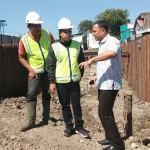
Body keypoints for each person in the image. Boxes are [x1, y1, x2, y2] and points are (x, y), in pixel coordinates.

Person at [79, 20, 125, 150]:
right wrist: (96, 76)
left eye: (94, 31)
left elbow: (112, 53)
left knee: (103, 113)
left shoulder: (113, 41)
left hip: (110, 84)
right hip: (103, 83)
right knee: (106, 112)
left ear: (103, 30)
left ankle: (117, 145)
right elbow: (105, 64)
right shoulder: (102, 44)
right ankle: (110, 138)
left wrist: (92, 59)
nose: (93, 34)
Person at [47, 18, 89, 138]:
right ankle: (69, 126)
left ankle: (79, 127)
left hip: (74, 81)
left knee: (76, 105)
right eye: (65, 31)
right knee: (65, 105)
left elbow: (81, 61)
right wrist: (51, 82)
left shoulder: (76, 45)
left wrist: (80, 74)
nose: (68, 33)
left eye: (69, 31)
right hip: (61, 82)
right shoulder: (54, 47)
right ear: (59, 32)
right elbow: (51, 66)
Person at [18, 11, 56, 132]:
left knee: (47, 93)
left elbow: (55, 48)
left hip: (48, 70)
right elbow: (21, 57)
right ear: (29, 26)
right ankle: (30, 121)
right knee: (31, 93)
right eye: (35, 26)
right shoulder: (24, 40)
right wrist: (30, 70)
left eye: (39, 25)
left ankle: (46, 118)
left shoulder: (47, 34)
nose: (38, 28)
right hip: (35, 72)